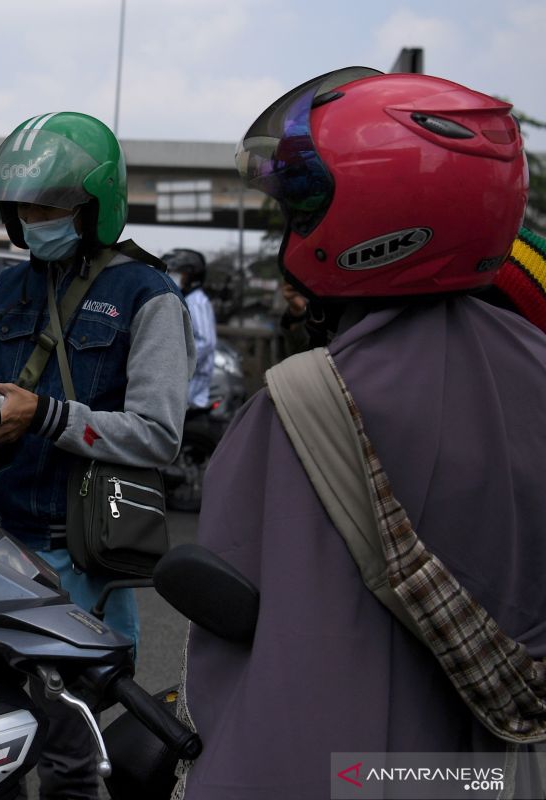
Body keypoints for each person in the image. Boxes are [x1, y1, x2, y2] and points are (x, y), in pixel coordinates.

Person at [177, 69, 546, 798]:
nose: (293, 226)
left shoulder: (307, 404)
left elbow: (279, 668)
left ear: (376, 218)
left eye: (305, 205)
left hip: (364, 775)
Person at [0, 112, 195, 800]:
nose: (35, 218)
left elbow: (158, 434)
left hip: (76, 550)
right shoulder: (11, 285)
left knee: (68, 744)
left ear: (93, 210)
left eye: (51, 205)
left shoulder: (148, 297)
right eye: (26, 207)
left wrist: (46, 417)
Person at [164, 249, 217, 408]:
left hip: (193, 387)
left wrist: (175, 364)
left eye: (178, 272)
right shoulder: (187, 299)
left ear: (192, 276)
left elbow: (206, 341)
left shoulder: (196, 301)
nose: (173, 275)